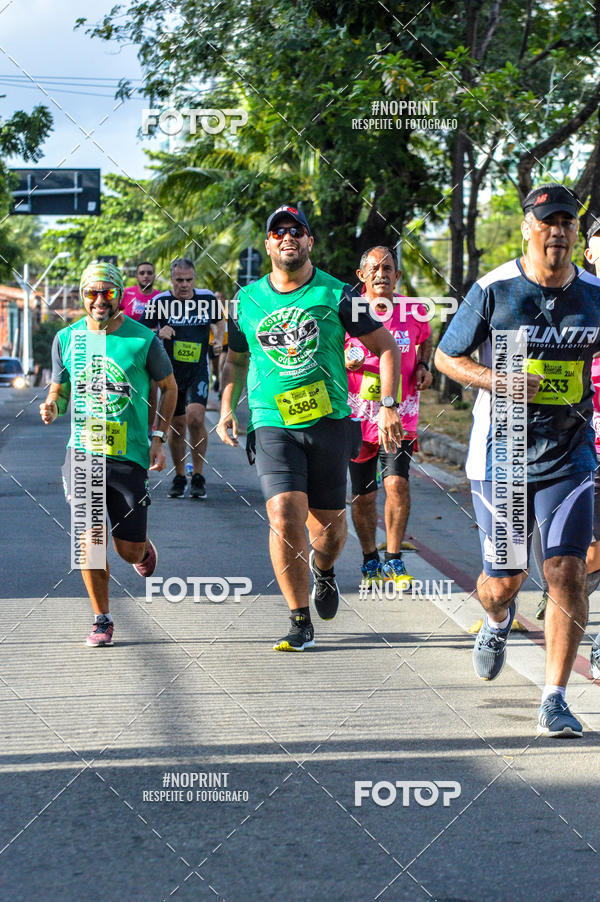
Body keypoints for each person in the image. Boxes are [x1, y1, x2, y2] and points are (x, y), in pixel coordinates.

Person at [435, 183, 600, 737]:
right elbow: (446, 356)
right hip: (500, 454)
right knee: (503, 579)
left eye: (567, 222)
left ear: (577, 234)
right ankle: (496, 618)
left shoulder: (596, 294)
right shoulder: (495, 289)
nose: (558, 230)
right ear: (527, 228)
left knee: (566, 571)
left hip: (570, 454)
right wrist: (500, 380)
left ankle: (555, 698)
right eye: (548, 221)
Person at [217, 204, 403, 651]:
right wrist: (227, 406)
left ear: (308, 242)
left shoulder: (337, 293)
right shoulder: (245, 301)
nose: (287, 238)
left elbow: (387, 348)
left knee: (330, 531)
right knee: (283, 516)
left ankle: (324, 571)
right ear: (268, 244)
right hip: (272, 423)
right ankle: (299, 619)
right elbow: (236, 360)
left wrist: (388, 406)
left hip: (329, 423)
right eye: (278, 232)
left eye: (296, 231)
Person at [40, 261, 177, 647]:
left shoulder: (142, 340)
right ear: (82, 295)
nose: (100, 300)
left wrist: (158, 436)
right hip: (83, 452)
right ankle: (102, 618)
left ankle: (141, 547)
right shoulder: (67, 338)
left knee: (126, 547)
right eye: (91, 293)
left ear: (119, 294)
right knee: (90, 538)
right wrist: (53, 403)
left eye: (108, 292)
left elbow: (169, 387)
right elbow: (60, 387)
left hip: (128, 454)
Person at [345, 246, 433, 587]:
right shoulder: (349, 311)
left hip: (398, 414)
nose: (381, 274)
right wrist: (344, 360)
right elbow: (330, 350)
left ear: (397, 275)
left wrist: (424, 366)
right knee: (363, 495)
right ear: (362, 276)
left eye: (388, 268)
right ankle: (370, 560)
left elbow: (424, 342)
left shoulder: (415, 311)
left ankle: (394, 560)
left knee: (396, 483)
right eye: (374, 268)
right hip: (357, 415)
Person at [144, 258, 224, 499]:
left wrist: (218, 338)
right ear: (171, 279)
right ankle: (180, 476)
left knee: (196, 418)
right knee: (177, 426)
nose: (185, 285)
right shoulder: (160, 302)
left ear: (194, 279)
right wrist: (158, 331)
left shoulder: (206, 298)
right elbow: (140, 329)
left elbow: (219, 321)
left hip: (198, 370)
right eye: (179, 280)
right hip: (170, 375)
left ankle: (198, 475)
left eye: (189, 280)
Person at [121, 262, 162, 430]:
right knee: (127, 389)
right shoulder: (126, 294)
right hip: (128, 350)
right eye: (142, 272)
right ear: (137, 276)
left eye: (149, 273)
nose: (146, 276)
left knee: (152, 391)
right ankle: (128, 424)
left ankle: (148, 430)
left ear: (154, 276)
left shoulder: (160, 297)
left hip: (152, 349)